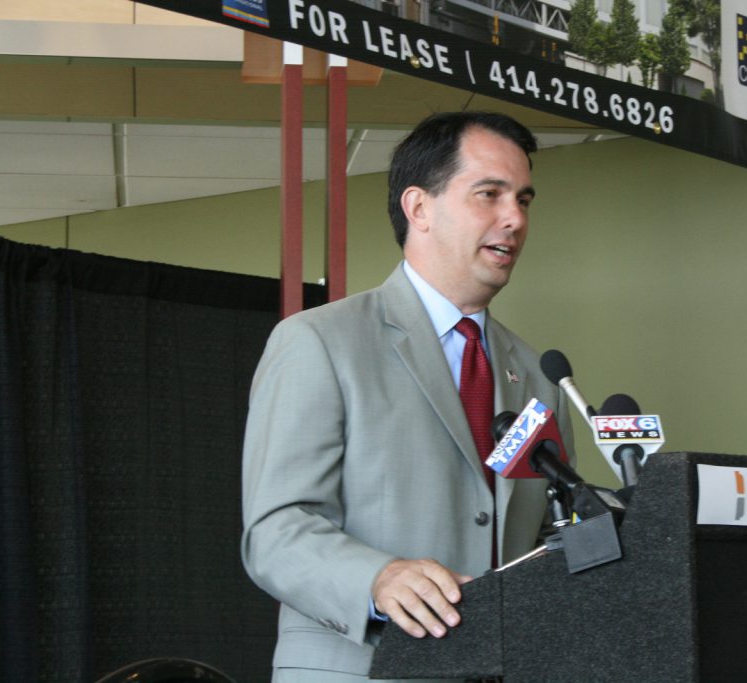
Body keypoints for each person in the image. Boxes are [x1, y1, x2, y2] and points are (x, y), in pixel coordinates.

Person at [241, 111, 574, 682]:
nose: (514, 218)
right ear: (418, 207)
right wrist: (377, 578)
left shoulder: (540, 378)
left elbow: (545, 531)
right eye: (489, 194)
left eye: (523, 199)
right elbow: (276, 530)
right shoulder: (319, 341)